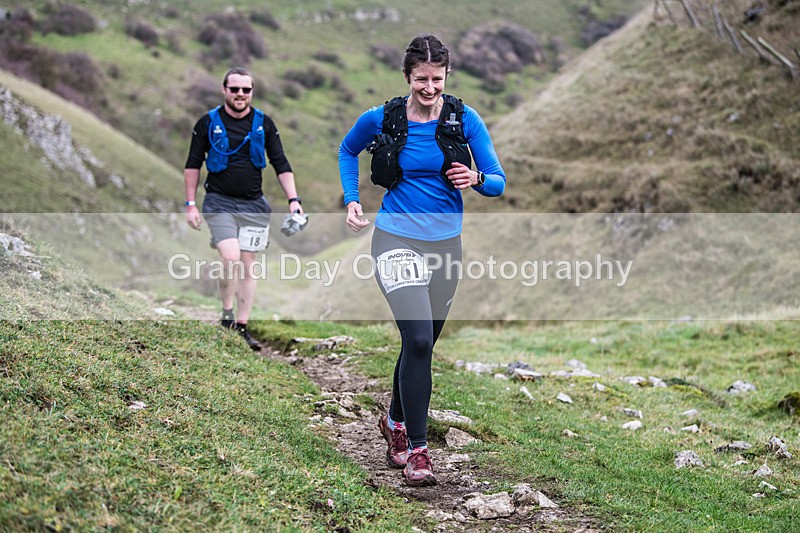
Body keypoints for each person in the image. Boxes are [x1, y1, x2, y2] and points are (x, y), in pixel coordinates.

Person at [338, 34, 506, 486]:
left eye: (436, 79)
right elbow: (347, 149)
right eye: (420, 80)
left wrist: (475, 177)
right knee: (415, 340)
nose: (428, 88)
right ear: (407, 77)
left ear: (447, 76)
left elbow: (498, 182)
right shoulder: (383, 118)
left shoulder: (465, 120)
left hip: (446, 247)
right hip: (395, 238)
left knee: (423, 343)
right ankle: (418, 451)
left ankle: (393, 422)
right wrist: (353, 200)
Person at [184, 67, 304, 350]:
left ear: (252, 92)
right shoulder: (206, 123)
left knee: (250, 266)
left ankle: (241, 325)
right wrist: (190, 204)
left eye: (245, 90)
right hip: (218, 202)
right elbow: (192, 165)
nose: (240, 94)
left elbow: (281, 164)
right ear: (224, 90)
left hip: (254, 206)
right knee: (230, 258)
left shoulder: (264, 123)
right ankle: (226, 314)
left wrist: (294, 201)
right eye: (234, 89)